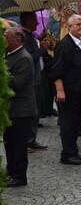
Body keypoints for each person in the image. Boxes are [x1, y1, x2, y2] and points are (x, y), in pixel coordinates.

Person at [51, 14, 81, 165]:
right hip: (69, 91)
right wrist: (60, 90)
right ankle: (67, 154)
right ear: (69, 28)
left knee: (77, 123)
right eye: (78, 25)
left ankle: (74, 150)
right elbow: (57, 70)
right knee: (68, 123)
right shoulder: (64, 45)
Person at [4, 27, 37, 187]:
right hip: (10, 109)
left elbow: (17, 84)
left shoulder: (24, 58)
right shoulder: (8, 55)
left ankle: (19, 176)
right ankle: (10, 172)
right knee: (9, 143)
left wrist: (3, 74)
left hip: (21, 109)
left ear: (17, 40)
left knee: (18, 145)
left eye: (6, 36)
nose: (3, 39)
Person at [20, 12, 48, 151]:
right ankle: (26, 141)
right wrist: (42, 49)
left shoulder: (30, 36)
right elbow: (29, 57)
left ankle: (32, 139)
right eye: (34, 20)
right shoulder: (24, 37)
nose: (37, 23)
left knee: (36, 110)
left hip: (37, 78)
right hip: (31, 80)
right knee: (30, 112)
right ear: (27, 21)